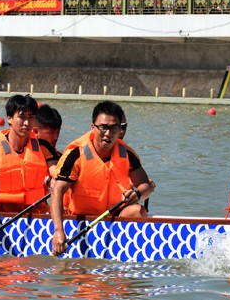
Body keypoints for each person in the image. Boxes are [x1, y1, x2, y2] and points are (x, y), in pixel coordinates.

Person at [50, 101, 154, 255]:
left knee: (138, 210)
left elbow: (147, 185)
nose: (108, 134)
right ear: (93, 128)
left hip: (114, 215)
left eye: (114, 128)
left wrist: (137, 194)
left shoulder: (127, 154)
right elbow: (57, 191)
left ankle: (133, 251)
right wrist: (58, 232)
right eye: (103, 127)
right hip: (80, 219)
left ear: (120, 130)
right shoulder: (76, 155)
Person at [0, 94, 57, 243]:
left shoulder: (43, 147)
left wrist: (53, 182)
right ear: (9, 118)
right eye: (22, 117)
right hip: (3, 217)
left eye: (31, 117)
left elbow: (58, 177)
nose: (27, 123)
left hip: (38, 219)